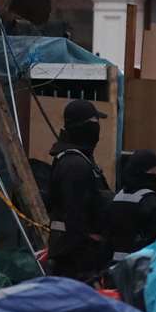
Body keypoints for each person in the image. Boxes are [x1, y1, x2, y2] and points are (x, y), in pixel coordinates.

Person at [45, 99, 113, 280]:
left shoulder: (81, 161)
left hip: (78, 261)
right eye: (94, 123)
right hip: (75, 265)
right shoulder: (75, 165)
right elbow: (76, 216)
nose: (98, 128)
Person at [108, 149, 156, 253]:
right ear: (146, 172)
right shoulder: (152, 202)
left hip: (116, 265)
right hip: (142, 265)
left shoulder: (117, 197)